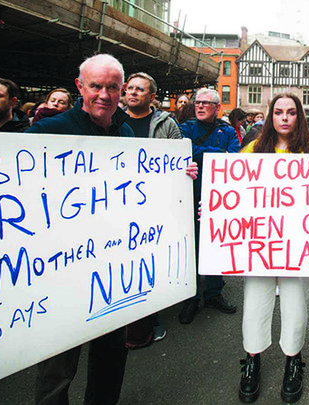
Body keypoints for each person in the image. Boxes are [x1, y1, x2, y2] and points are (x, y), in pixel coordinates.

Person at [27, 54, 133, 405]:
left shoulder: (127, 132)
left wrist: (177, 178)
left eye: (112, 87)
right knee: (57, 366)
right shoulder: (47, 132)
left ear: (121, 89)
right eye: (95, 86)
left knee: (111, 355)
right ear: (80, 87)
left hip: (113, 265)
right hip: (62, 268)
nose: (104, 94)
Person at [238, 92, 309, 404]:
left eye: (290, 112)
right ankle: (252, 360)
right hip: (259, 244)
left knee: (295, 304)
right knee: (255, 303)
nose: (284, 117)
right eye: (278, 112)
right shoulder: (252, 150)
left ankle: (293, 361)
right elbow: (231, 190)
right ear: (270, 117)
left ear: (299, 117)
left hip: (299, 246)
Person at [122, 71, 188, 347]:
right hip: (119, 202)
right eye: (130, 88)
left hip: (154, 202)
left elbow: (178, 158)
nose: (133, 93)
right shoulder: (113, 121)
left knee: (150, 260)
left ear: (151, 97)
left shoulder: (167, 124)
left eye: (140, 90)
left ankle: (152, 317)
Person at [178, 88, 240, 324]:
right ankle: (191, 297)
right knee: (191, 247)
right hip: (189, 196)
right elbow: (185, 151)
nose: (200, 106)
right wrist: (217, 153)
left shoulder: (228, 131)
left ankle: (214, 293)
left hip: (220, 199)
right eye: (198, 102)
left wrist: (201, 154)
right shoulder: (186, 128)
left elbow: (234, 158)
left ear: (217, 108)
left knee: (216, 245)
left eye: (206, 103)